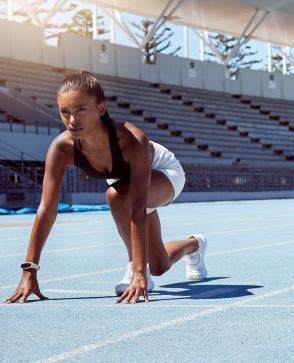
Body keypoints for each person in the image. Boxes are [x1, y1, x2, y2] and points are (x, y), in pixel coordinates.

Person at [5, 72, 206, 304]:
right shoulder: (62, 148)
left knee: (117, 197)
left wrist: (139, 271)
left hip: (163, 172)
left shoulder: (131, 139)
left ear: (100, 108)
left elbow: (138, 206)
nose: (72, 120)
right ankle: (195, 244)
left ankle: (134, 267)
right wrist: (29, 270)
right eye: (65, 112)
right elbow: (46, 209)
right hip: (126, 186)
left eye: (80, 109)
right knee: (159, 265)